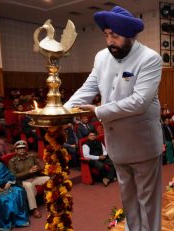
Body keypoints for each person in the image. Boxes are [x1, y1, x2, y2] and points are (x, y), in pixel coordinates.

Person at [63, 6, 163, 230]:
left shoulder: (150, 59)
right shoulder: (101, 57)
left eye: (115, 36)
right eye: (106, 35)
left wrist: (97, 111)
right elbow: (88, 88)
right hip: (116, 145)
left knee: (148, 201)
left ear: (130, 35)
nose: (110, 41)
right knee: (128, 200)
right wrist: (63, 111)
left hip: (143, 144)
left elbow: (139, 102)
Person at [8, 140, 49, 218]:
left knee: (48, 179)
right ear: (15, 150)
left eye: (23, 148)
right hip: (22, 181)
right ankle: (34, 209)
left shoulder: (31, 157)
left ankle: (51, 199)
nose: (22, 150)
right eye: (19, 148)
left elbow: (40, 168)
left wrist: (38, 168)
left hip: (34, 178)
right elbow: (13, 176)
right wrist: (29, 171)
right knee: (29, 186)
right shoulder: (12, 161)